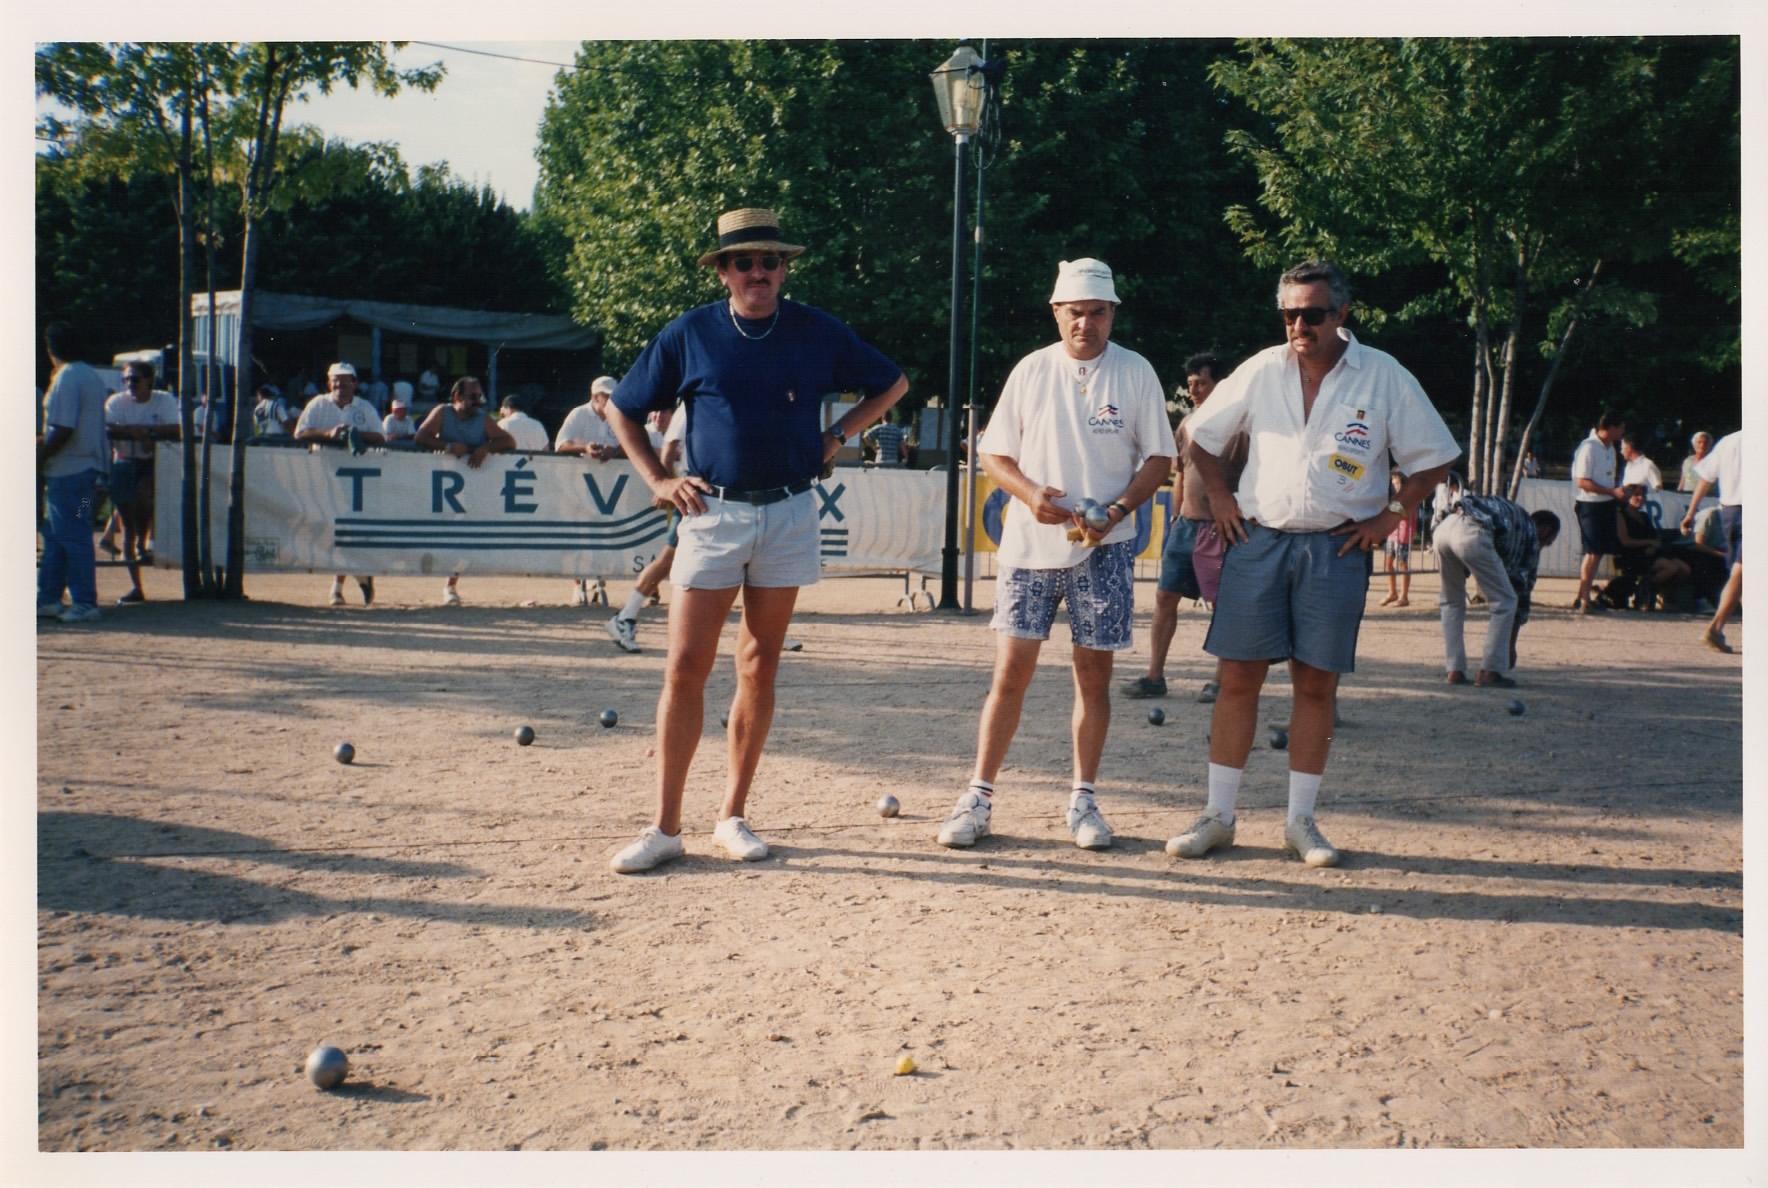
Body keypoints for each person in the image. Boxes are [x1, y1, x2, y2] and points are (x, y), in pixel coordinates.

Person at [603, 206, 907, 873]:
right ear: (723, 271)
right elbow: (623, 408)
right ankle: (665, 827)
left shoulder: (816, 329)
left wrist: (839, 434)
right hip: (711, 514)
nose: (759, 272)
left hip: (790, 511)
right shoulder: (689, 333)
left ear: (784, 269)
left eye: (770, 261)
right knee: (685, 667)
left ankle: (732, 816)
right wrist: (659, 479)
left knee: (759, 663)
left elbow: (893, 382)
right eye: (745, 262)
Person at [1166, 260, 1459, 868]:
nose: (1300, 326)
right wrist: (1219, 496)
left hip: (1337, 546)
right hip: (1258, 539)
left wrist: (1390, 517)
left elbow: (1434, 457)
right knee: (1237, 678)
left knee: (1316, 685)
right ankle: (1218, 816)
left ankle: (1301, 821)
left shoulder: (1383, 376)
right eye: (1289, 314)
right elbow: (1199, 434)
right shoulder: (1261, 369)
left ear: (1341, 313)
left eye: (1313, 314)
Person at [936, 258, 1176, 852]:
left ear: (1112, 313)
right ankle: (978, 797)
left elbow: (1159, 458)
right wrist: (1029, 495)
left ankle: (1084, 801)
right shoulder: (1032, 369)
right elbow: (994, 454)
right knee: (1009, 674)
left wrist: (1118, 510)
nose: (1086, 324)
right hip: (1029, 548)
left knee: (1093, 678)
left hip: (1106, 548)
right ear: (1056, 312)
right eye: (1075, 313)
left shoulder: (1136, 371)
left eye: (1097, 313)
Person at [1120, 352, 1245, 704]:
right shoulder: (1187, 424)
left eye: (1201, 383)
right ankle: (1154, 676)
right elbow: (1180, 474)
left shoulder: (1240, 428)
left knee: (1224, 604)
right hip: (1186, 526)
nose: (1194, 390)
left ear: (1220, 384)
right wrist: (1175, 518)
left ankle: (1220, 680)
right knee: (1164, 597)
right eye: (1190, 384)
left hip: (1222, 529)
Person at [1431, 488, 1560, 687]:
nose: (1543, 547)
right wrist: (1509, 646)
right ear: (1545, 531)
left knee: (1451, 602)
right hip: (1472, 531)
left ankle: (1454, 670)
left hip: (1445, 528)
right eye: (1548, 543)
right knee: (1505, 602)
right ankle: (1490, 671)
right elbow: (1521, 591)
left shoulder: (1514, 517)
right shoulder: (1530, 535)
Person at [416, 376, 515, 606]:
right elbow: (421, 436)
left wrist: (485, 448)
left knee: (464, 536)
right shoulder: (442, 413)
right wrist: (448, 446)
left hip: (471, 488)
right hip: (440, 487)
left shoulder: (482, 419)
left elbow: (509, 442)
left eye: (479, 396)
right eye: (472, 396)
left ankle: (450, 584)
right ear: (457, 397)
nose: (477, 401)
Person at [294, 361, 387, 606]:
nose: (340, 385)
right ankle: (359, 572)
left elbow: (380, 437)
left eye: (345, 381)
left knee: (345, 529)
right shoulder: (318, 404)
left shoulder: (364, 407)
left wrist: (354, 433)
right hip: (322, 475)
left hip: (354, 478)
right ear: (329, 383)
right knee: (327, 529)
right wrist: (329, 434)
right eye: (336, 381)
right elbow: (300, 432)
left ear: (354, 383)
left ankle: (337, 587)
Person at [36, 321, 110, 623]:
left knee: (72, 534)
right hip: (86, 473)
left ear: (51, 348)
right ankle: (49, 598)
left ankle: (84, 601)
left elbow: (63, 428)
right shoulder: (90, 375)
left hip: (68, 473)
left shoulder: (66, 377)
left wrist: (38, 457)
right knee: (58, 534)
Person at [605, 409, 685, 653]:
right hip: (696, 497)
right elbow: (668, 449)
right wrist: (663, 485)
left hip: (720, 496)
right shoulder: (690, 408)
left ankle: (768, 629)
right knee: (667, 560)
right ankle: (625, 617)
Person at [103, 361, 181, 605]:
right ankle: (136, 584)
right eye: (126, 380)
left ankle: (143, 542)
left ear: (149, 381)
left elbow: (176, 428)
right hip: (123, 462)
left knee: (144, 495)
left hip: (151, 463)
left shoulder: (164, 400)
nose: (130, 384)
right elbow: (108, 428)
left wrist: (146, 432)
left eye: (135, 379)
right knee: (124, 522)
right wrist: (141, 433)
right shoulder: (117, 401)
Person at [559, 375, 627, 608]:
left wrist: (614, 452)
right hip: (578, 485)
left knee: (604, 532)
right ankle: (578, 584)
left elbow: (630, 445)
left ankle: (598, 579)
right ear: (596, 397)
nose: (611, 401)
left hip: (609, 486)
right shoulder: (578, 414)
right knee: (579, 533)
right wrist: (585, 448)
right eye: (607, 397)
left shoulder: (618, 416)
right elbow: (561, 444)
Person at [1680, 429, 1742, 653]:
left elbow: (1705, 479)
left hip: (1729, 512)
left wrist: (1691, 513)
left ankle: (1718, 628)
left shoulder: (1728, 441)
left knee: (1740, 572)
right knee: (1741, 571)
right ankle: (1715, 628)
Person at [1569, 411, 1627, 614]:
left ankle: (1581, 596)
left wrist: (1616, 492)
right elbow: (1582, 481)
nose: (1622, 432)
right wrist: (1611, 491)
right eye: (1621, 428)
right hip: (1590, 504)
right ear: (1611, 427)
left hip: (1606, 503)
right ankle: (1584, 599)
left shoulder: (1610, 448)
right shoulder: (1588, 447)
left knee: (1598, 552)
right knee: (1592, 552)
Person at [1379, 469, 1414, 607]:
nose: (1395, 484)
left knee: (1402, 563)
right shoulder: (1394, 497)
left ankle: (1404, 596)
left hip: (1404, 532)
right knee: (1388, 562)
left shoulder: (1409, 496)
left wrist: (1391, 507)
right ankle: (1392, 592)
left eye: (1397, 481)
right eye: (1394, 481)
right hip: (1392, 532)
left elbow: (1405, 514)